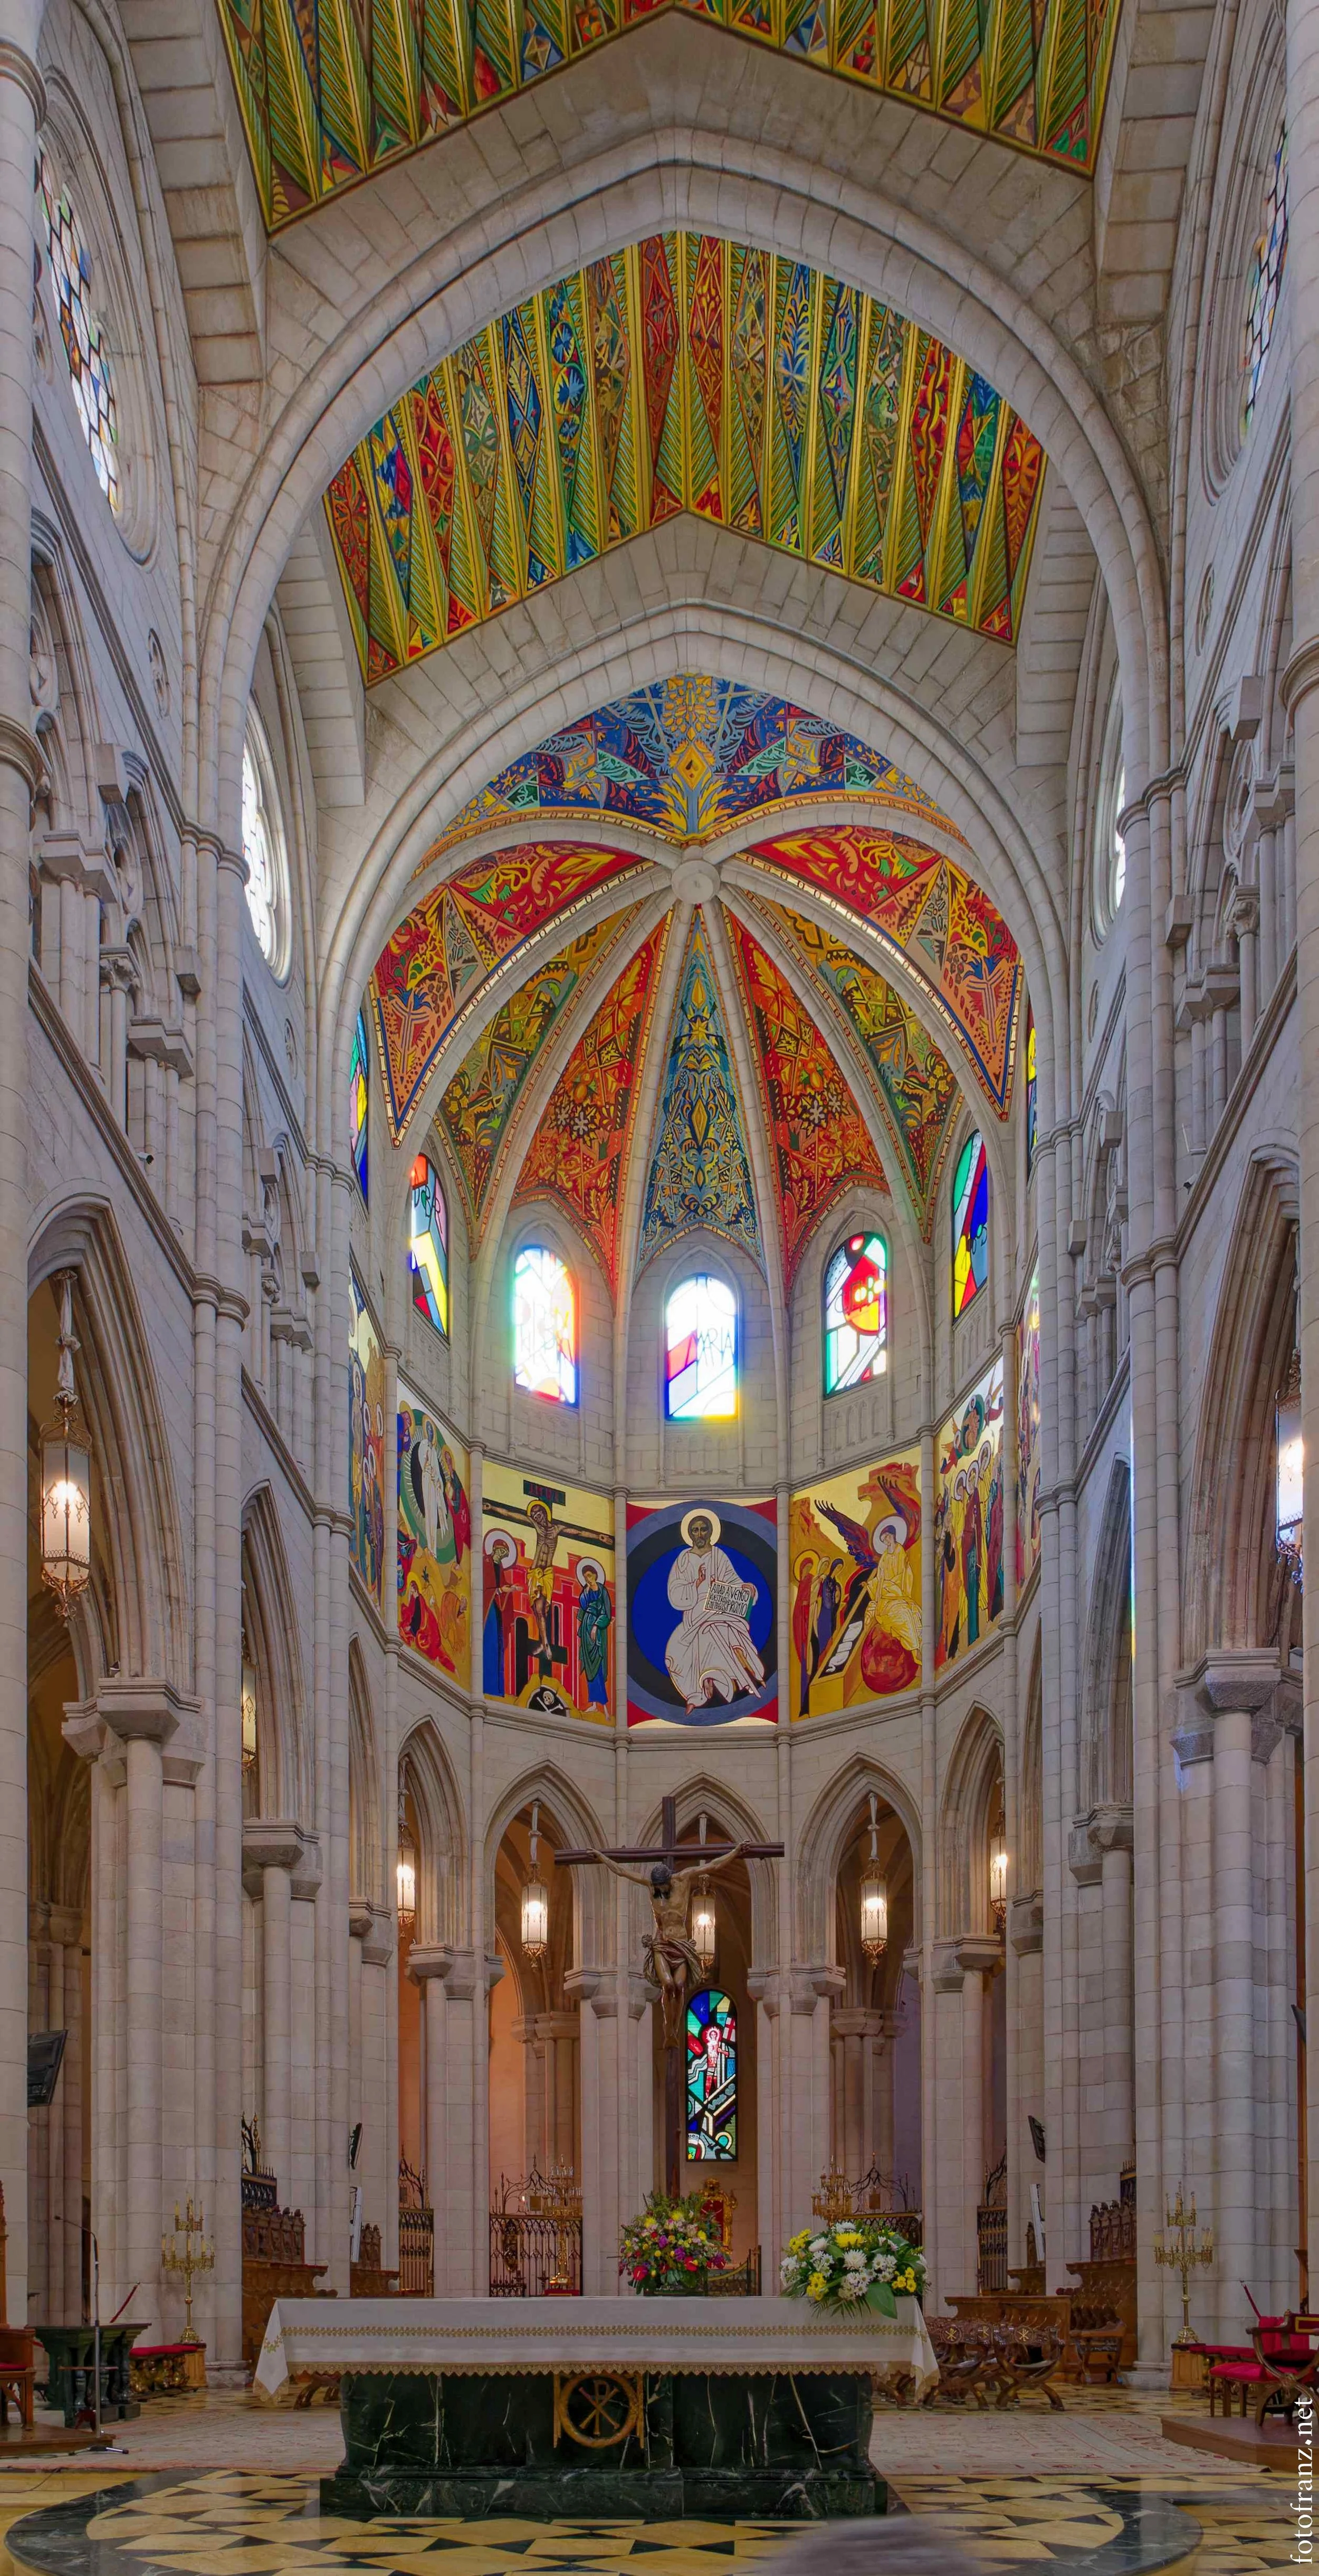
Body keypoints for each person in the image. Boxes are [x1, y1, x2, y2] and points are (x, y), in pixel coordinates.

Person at [664, 1510, 763, 1712]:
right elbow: (674, 1592)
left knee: (718, 1629)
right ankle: (698, 1690)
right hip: (693, 1614)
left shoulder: (719, 1556)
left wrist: (747, 1588)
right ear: (690, 1534)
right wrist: (696, 1584)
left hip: (718, 1609)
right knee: (674, 1654)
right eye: (695, 1530)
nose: (699, 1534)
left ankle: (735, 1676)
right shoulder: (683, 1560)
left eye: (703, 1530)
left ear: (710, 1532)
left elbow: (733, 1581)